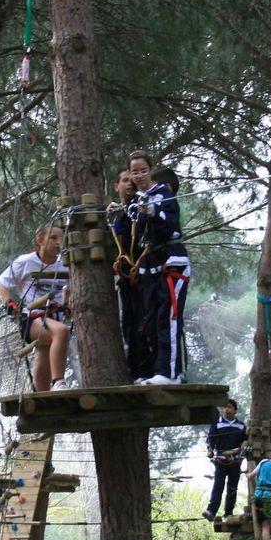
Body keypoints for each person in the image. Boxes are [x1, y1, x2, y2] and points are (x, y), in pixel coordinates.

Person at [127, 150, 189, 384]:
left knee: (168, 317)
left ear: (151, 170)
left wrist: (154, 213)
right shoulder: (136, 199)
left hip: (172, 261)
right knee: (151, 321)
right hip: (151, 263)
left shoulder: (163, 193)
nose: (140, 176)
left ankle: (170, 374)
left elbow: (169, 223)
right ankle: (159, 371)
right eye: (135, 172)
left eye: (144, 170)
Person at [0, 224, 71, 392]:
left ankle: (41, 397)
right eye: (53, 238)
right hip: (32, 319)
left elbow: (70, 287)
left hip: (55, 316)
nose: (58, 242)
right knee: (61, 332)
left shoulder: (65, 264)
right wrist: (9, 302)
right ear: (39, 240)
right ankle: (59, 382)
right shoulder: (25, 262)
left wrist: (68, 303)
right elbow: (2, 282)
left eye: (61, 238)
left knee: (44, 354)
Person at [107, 169, 147, 379]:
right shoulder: (117, 212)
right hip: (125, 278)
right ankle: (133, 370)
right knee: (129, 324)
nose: (130, 184)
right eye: (125, 180)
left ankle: (143, 370)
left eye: (132, 180)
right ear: (116, 186)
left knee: (142, 324)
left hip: (141, 275)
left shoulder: (139, 208)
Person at [201, 399, 247, 522]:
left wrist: (242, 450)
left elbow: (245, 442)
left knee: (232, 487)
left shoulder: (241, 426)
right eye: (225, 407)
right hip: (220, 460)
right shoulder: (216, 424)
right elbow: (210, 440)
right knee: (218, 485)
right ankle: (211, 511)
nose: (227, 409)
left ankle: (228, 513)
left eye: (230, 407)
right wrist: (210, 450)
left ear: (235, 411)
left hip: (235, 461)